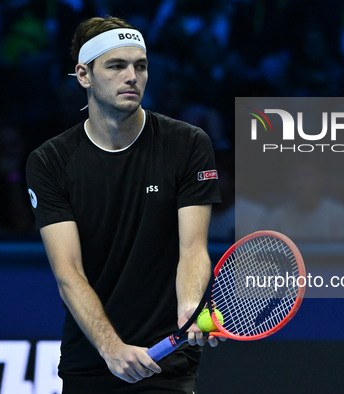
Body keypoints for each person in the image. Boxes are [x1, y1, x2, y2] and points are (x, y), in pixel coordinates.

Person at [25, 16, 222, 393]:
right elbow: (69, 274)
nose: (132, 76)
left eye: (141, 65)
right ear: (84, 75)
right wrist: (111, 348)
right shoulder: (50, 161)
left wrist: (191, 309)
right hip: (91, 363)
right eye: (116, 66)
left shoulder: (188, 145)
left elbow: (192, 248)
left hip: (168, 365)